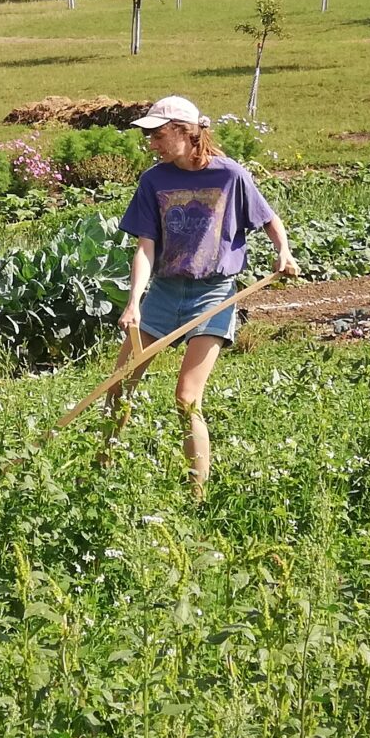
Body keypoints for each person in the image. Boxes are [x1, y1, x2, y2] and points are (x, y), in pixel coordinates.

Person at [113, 95, 298, 499]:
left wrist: (282, 251)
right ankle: (101, 471)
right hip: (163, 291)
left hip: (213, 293)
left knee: (186, 397)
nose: (152, 144)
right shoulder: (154, 181)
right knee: (118, 385)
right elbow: (146, 246)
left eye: (158, 135)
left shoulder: (230, 175)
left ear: (185, 131)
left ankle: (196, 496)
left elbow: (268, 219)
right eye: (149, 136)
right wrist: (134, 302)